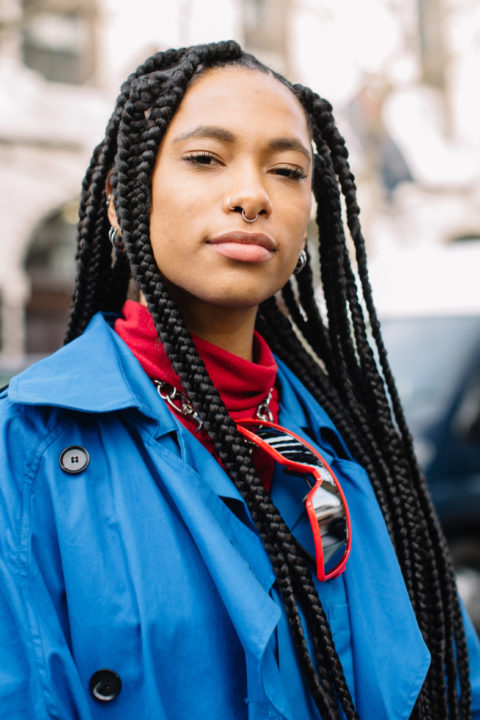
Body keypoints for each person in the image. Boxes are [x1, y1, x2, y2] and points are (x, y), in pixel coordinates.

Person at [0, 40, 479, 720]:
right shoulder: (23, 450)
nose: (252, 195)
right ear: (117, 198)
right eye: (205, 159)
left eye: (287, 171)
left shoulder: (361, 452)